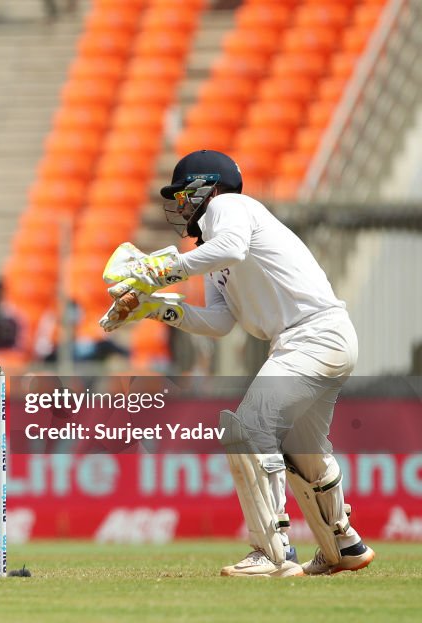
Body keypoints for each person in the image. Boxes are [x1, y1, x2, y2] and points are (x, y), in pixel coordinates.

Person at [100, 150, 373, 577]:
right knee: (305, 452)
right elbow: (219, 323)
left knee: (247, 429)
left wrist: (160, 270)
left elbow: (231, 247)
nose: (180, 206)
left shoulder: (230, 208)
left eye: (183, 195)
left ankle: (271, 552)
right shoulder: (214, 256)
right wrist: (155, 309)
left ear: (206, 187)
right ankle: (343, 544)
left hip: (313, 335)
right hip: (316, 340)